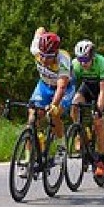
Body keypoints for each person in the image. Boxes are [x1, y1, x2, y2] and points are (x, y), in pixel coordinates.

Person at [28, 27, 74, 172]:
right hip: (44, 84)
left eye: (49, 57)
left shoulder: (63, 60)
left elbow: (61, 87)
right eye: (42, 56)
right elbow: (39, 29)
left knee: (54, 114)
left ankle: (61, 145)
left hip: (64, 88)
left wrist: (53, 105)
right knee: (31, 119)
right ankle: (29, 159)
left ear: (56, 53)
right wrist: (42, 31)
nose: (44, 59)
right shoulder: (36, 48)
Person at [71, 39, 104, 177]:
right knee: (74, 105)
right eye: (80, 59)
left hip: (102, 89)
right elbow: (70, 87)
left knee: (99, 122)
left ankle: (101, 161)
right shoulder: (75, 64)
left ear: (92, 56)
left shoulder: (102, 62)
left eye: (85, 59)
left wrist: (98, 110)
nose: (83, 63)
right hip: (87, 87)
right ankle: (79, 133)